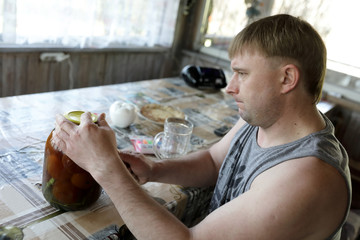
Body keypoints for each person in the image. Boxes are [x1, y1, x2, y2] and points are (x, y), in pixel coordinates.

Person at [52, 14, 351, 240]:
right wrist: (154, 169)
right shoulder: (264, 118)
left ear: (287, 79)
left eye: (242, 74)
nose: (230, 87)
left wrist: (106, 168)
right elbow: (214, 160)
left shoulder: (308, 177)